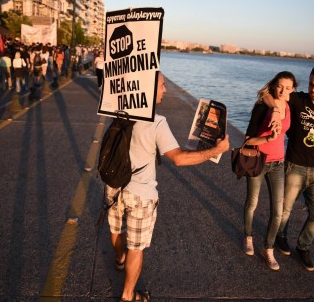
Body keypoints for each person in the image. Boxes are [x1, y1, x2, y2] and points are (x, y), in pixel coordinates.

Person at [106, 71, 230, 302]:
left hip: (113, 186)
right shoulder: (157, 122)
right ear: (150, 89)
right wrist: (215, 151)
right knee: (136, 247)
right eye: (162, 85)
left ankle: (119, 259)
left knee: (115, 229)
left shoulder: (120, 112)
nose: (165, 89)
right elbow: (179, 158)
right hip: (140, 192)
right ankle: (127, 295)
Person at [263, 65, 314, 271]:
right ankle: (281, 236)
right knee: (284, 211)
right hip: (294, 165)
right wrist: (275, 109)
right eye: (311, 84)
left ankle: (303, 246)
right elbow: (267, 93)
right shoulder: (298, 99)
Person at [242, 71, 297, 271]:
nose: (283, 90)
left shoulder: (290, 105)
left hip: (278, 164)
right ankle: (248, 237)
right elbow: (248, 140)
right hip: (258, 160)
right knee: (252, 202)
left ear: (293, 90)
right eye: (280, 86)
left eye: (288, 88)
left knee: (278, 211)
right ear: (274, 85)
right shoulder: (262, 106)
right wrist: (267, 139)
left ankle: (268, 248)